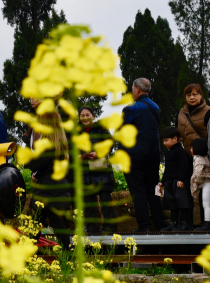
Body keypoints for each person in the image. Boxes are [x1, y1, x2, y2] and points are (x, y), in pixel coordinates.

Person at [121, 77, 166, 233]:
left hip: (136, 156)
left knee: (138, 190)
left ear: (137, 89)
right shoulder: (155, 107)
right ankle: (160, 224)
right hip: (154, 156)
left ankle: (144, 226)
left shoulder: (131, 109)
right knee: (153, 189)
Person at [25, 112, 71, 233]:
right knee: (42, 224)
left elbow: (36, 163)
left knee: (41, 225)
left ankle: (30, 250)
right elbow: (47, 166)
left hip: (48, 192)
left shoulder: (48, 144)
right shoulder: (60, 143)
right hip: (57, 189)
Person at [78, 107, 117, 234]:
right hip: (84, 172)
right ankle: (92, 229)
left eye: (87, 114)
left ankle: (110, 228)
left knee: (106, 199)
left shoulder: (101, 128)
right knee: (88, 203)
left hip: (101, 170)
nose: (85, 117)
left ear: (93, 116)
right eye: (82, 115)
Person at [159, 127, 193, 232]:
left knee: (182, 203)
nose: (164, 143)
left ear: (175, 139)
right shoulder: (168, 153)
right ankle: (173, 224)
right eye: (163, 141)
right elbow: (167, 170)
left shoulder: (181, 152)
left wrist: (181, 179)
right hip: (169, 182)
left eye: (166, 140)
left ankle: (184, 223)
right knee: (172, 204)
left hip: (178, 182)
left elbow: (184, 166)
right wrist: (163, 181)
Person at [177, 84, 210, 156]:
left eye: (194, 95)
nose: (191, 97)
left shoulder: (208, 111)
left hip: (202, 156)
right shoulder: (180, 113)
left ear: (201, 95)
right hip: (184, 156)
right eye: (188, 95)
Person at [190, 139, 210, 232]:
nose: (190, 149)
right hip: (206, 183)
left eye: (191, 147)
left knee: (206, 204)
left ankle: (207, 223)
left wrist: (195, 182)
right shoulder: (205, 158)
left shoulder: (198, 159)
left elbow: (198, 173)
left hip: (206, 183)